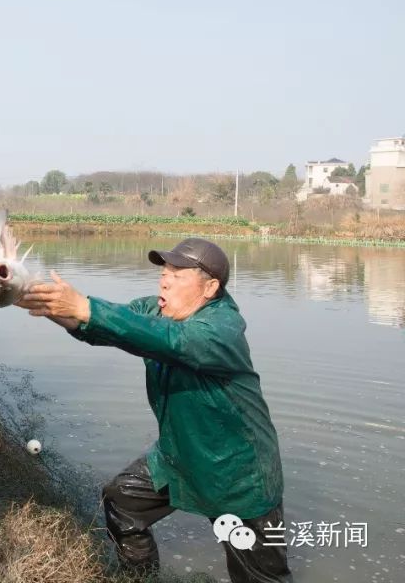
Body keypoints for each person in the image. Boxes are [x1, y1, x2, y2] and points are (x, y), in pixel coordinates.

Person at [16, 238, 292, 583]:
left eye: (177, 276)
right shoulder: (156, 312)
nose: (164, 281)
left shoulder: (220, 330)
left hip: (237, 473)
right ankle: (141, 578)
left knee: (261, 576)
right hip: (178, 455)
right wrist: (51, 306)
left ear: (209, 288)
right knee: (122, 502)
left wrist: (86, 306)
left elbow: (170, 339)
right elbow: (115, 327)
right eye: (164, 272)